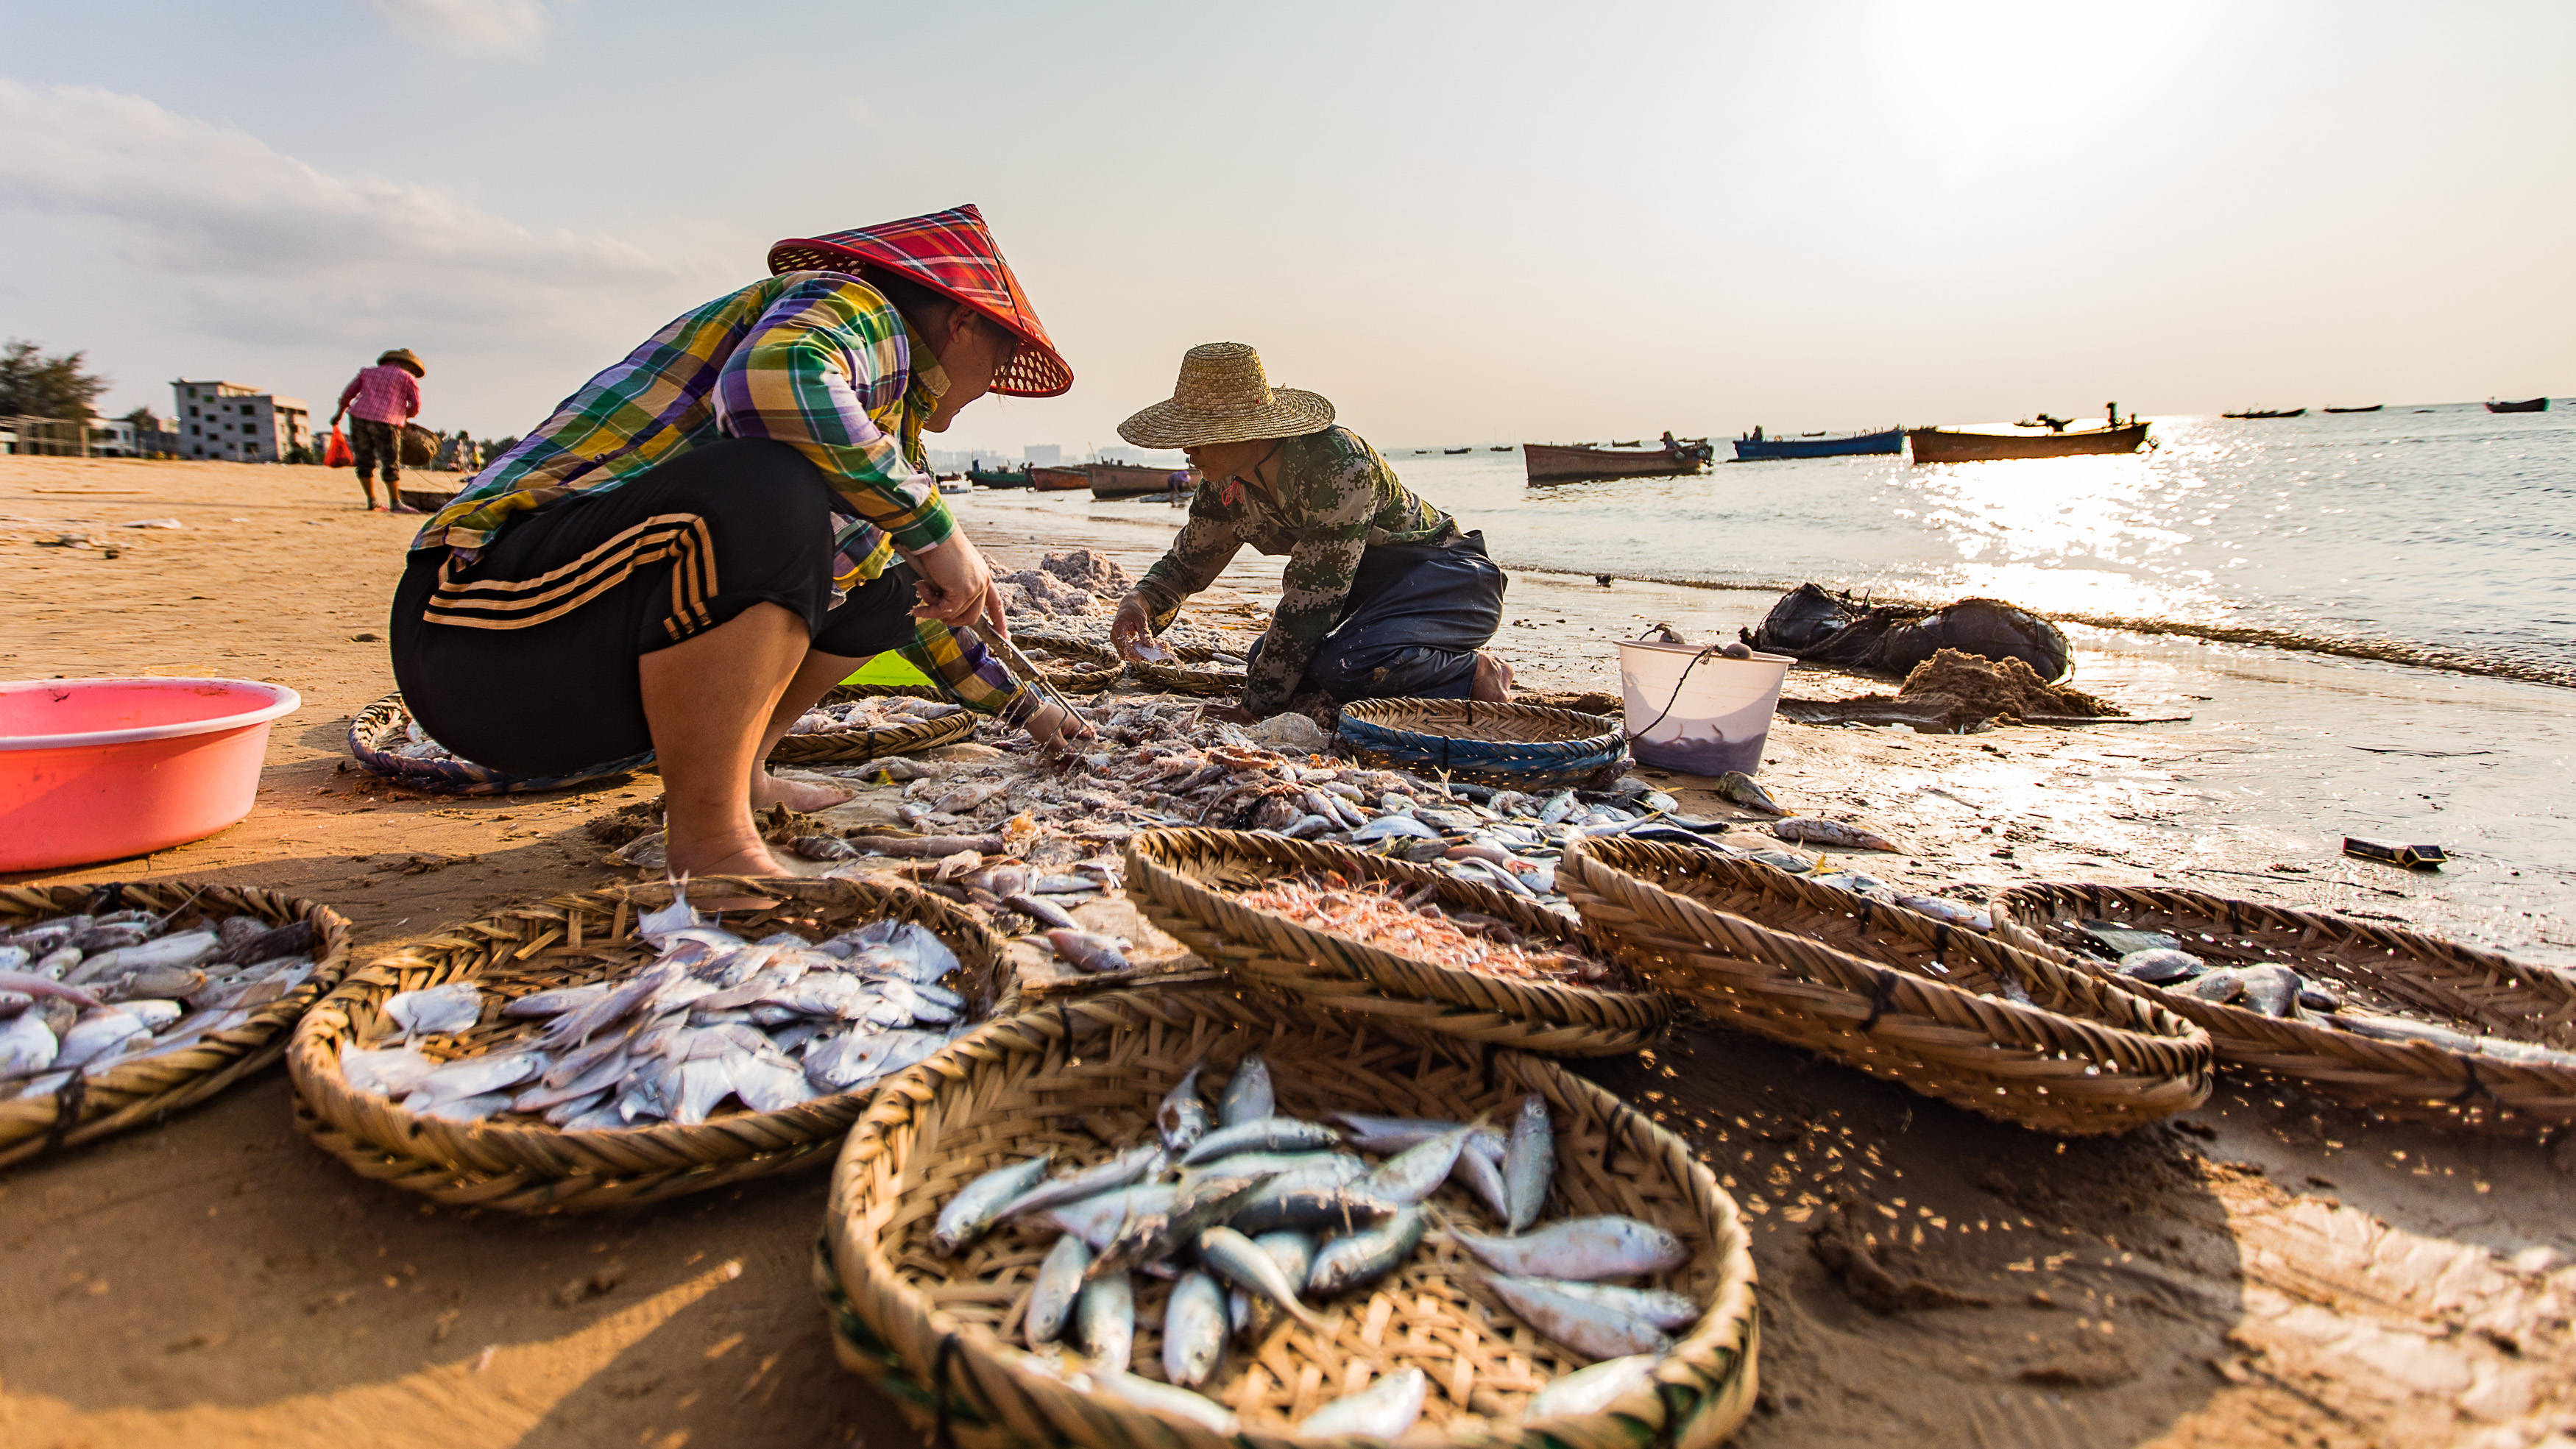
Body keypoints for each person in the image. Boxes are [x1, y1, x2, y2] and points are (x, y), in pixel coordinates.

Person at [392, 205, 1087, 876]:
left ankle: (744, 773)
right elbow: (770, 381)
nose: (996, 381)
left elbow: (917, 608)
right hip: (473, 628)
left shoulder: (886, 422)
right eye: (1001, 355)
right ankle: (712, 841)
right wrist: (937, 530)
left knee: (892, 584)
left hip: (574, 659)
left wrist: (1028, 707)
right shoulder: (861, 307)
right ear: (962, 320)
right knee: (768, 487)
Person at [1108, 342, 1511, 722]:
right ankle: (1413, 659)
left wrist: (1253, 709)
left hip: (1450, 581)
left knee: (1343, 665)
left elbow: (1313, 601)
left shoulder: (1338, 466)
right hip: (1370, 592)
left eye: (1197, 435)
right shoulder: (1223, 484)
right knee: (1266, 661)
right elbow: (1188, 563)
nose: (1187, 451)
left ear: (1245, 429)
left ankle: (1474, 673)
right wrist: (1139, 603)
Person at [333, 348, 425, 512]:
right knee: (390, 461)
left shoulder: (367, 372)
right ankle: (395, 503)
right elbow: (415, 406)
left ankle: (372, 500)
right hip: (387, 421)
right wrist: (404, 417)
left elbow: (348, 395)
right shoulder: (407, 378)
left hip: (359, 417)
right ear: (408, 365)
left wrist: (338, 415)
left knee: (364, 460)